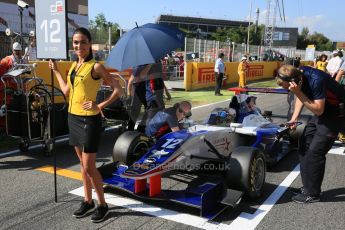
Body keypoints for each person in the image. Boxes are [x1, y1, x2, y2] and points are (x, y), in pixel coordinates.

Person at [49, 27, 122, 222]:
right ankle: (87, 200)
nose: (78, 46)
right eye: (75, 42)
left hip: (89, 119)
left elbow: (118, 89)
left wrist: (100, 105)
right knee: (82, 165)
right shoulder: (73, 66)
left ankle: (103, 205)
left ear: (89, 44)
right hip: (72, 118)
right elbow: (66, 91)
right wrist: (56, 71)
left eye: (82, 42)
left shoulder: (96, 66)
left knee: (90, 166)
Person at [276, 65, 345, 204]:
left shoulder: (316, 79)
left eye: (286, 87)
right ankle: (307, 187)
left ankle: (312, 194)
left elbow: (318, 110)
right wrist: (294, 118)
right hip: (324, 111)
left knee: (315, 152)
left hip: (337, 113)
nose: (286, 90)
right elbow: (302, 97)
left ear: (295, 81)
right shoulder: (299, 75)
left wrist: (298, 92)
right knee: (304, 145)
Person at [127, 64, 151, 131]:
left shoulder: (150, 66)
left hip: (146, 92)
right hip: (137, 92)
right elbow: (130, 81)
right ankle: (130, 130)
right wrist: (129, 95)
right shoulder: (139, 66)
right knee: (135, 112)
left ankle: (141, 128)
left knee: (149, 110)